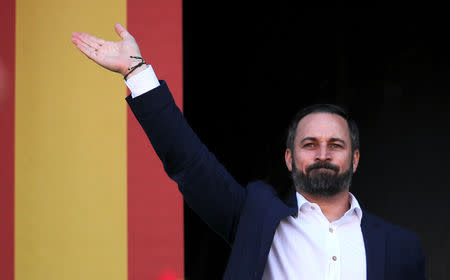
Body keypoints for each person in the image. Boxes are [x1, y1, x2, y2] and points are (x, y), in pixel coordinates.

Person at [72, 24, 425, 280]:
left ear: (355, 158)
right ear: (289, 159)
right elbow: (190, 165)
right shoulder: (257, 217)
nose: (322, 153)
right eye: (309, 144)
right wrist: (137, 72)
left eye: (335, 145)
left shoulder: (400, 247)